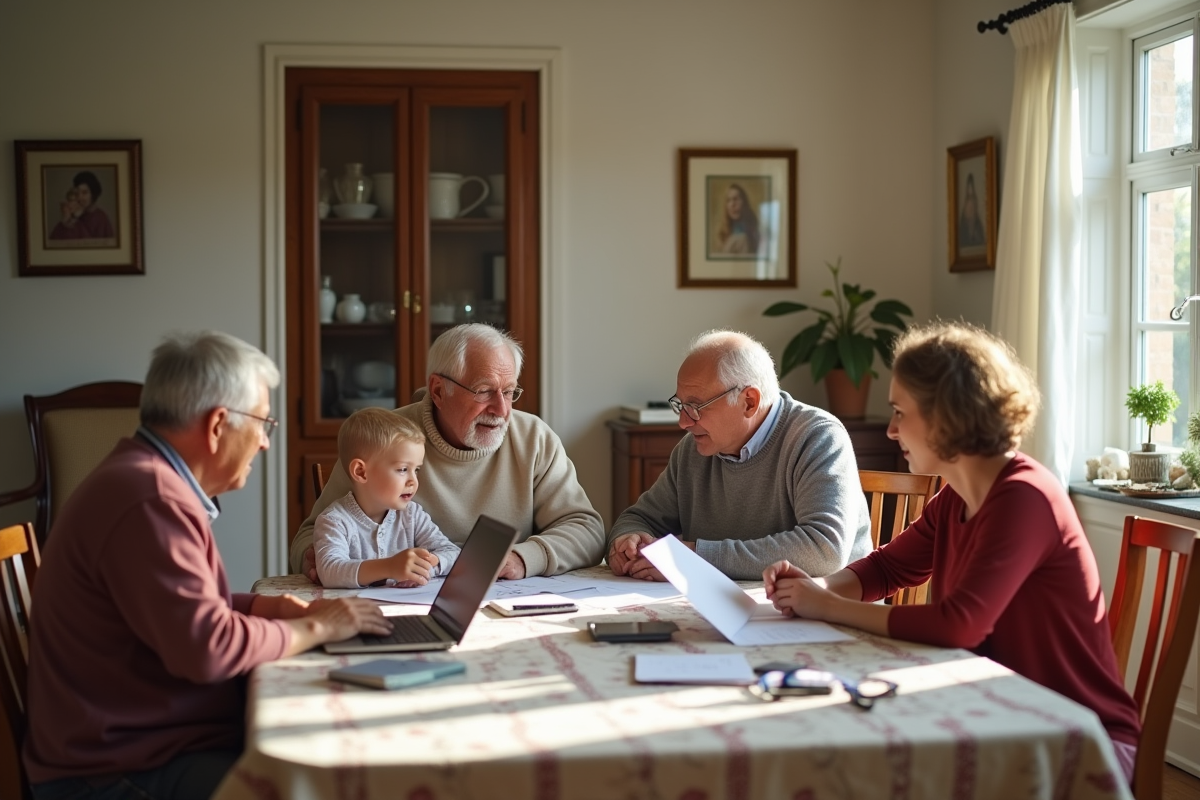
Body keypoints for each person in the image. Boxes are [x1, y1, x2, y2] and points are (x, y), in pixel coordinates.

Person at [763, 322, 1141, 782]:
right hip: (1001, 711)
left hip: (1078, 738)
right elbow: (888, 566)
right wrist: (813, 586)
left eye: (901, 412)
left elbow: (959, 624)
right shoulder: (959, 496)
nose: (891, 430)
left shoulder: (1025, 497)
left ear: (947, 417)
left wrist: (829, 606)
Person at [23, 332, 391, 800]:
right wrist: (317, 627)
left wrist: (266, 606)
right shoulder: (149, 498)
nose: (264, 444)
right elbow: (208, 646)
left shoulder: (143, 479)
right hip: (115, 772)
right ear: (218, 424)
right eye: (263, 424)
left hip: (137, 743)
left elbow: (182, 609)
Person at [292, 323, 605, 581]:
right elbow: (309, 535)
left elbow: (587, 531)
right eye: (484, 391)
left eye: (509, 392)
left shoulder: (533, 438)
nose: (501, 409)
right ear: (439, 390)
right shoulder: (383, 440)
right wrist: (315, 559)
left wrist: (522, 558)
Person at [607, 330, 873, 582]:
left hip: (825, 617)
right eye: (681, 404)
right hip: (726, 609)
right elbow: (640, 517)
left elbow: (824, 549)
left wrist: (695, 557)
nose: (683, 422)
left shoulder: (817, 437)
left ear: (749, 402)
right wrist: (628, 540)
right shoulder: (693, 449)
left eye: (696, 406)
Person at [313, 407, 459, 589]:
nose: (413, 481)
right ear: (361, 472)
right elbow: (329, 570)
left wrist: (426, 565)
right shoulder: (335, 520)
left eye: (417, 470)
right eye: (402, 469)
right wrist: (389, 567)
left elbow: (453, 553)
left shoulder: (412, 515)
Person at [48, 170, 115, 240]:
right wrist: (67, 222)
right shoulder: (71, 213)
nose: (80, 197)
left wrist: (75, 220)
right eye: (77, 193)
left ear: (93, 194)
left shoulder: (101, 218)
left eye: (84, 193)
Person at [715, 182, 761, 255]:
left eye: (736, 199)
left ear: (744, 202)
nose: (732, 204)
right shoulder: (723, 232)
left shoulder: (752, 231)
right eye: (728, 200)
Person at [958, 173, 985, 248]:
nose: (971, 209)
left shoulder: (979, 229)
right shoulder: (962, 229)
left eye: (973, 206)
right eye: (969, 208)